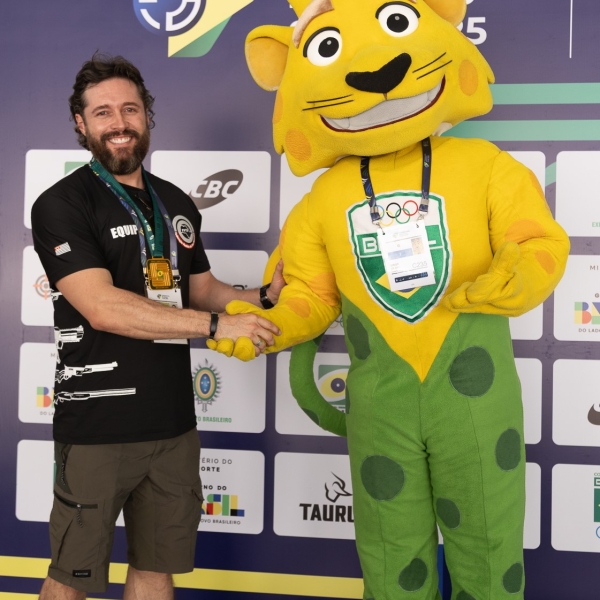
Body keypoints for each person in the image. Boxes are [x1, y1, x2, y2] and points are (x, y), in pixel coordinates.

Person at [31, 53, 283, 600]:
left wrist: (264, 296)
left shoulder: (175, 201)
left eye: (130, 109)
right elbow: (103, 307)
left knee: (155, 569)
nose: (119, 122)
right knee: (71, 577)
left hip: (172, 426)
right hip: (97, 426)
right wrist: (215, 327)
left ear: (146, 115)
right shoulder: (61, 204)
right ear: (81, 123)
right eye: (102, 112)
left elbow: (203, 290)